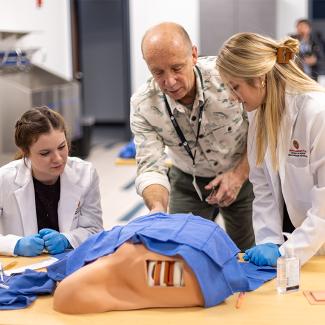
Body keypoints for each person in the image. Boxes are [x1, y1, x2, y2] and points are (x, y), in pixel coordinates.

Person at [130, 22, 255, 251]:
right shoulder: (143, 104)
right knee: (184, 253)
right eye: (158, 72)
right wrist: (157, 208)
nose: (169, 81)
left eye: (177, 68)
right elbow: (150, 166)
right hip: (188, 181)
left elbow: (262, 126)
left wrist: (239, 175)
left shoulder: (226, 77)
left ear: (194, 55)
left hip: (244, 172)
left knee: (249, 252)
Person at [216, 32, 325, 267]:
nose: (231, 97)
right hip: (299, 240)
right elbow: (262, 185)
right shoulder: (258, 114)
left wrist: (286, 253)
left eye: (235, 86)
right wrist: (270, 241)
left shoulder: (317, 113)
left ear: (260, 78)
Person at [0, 107, 103, 256]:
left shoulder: (86, 174)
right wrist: (16, 245)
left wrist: (67, 240)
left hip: (69, 262)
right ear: (26, 152)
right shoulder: (4, 179)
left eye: (62, 147)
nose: (58, 159)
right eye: (45, 153)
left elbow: (95, 230)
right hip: (20, 267)